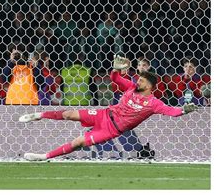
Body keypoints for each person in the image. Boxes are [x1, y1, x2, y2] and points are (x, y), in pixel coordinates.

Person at [19, 55, 198, 161]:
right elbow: (115, 79)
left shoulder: (154, 103)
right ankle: (39, 114)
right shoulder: (130, 87)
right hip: (103, 114)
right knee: (68, 113)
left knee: (78, 143)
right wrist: (115, 69)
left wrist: (184, 110)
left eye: (141, 80)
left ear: (149, 86)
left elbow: (172, 112)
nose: (138, 81)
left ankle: (43, 156)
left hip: (111, 130)